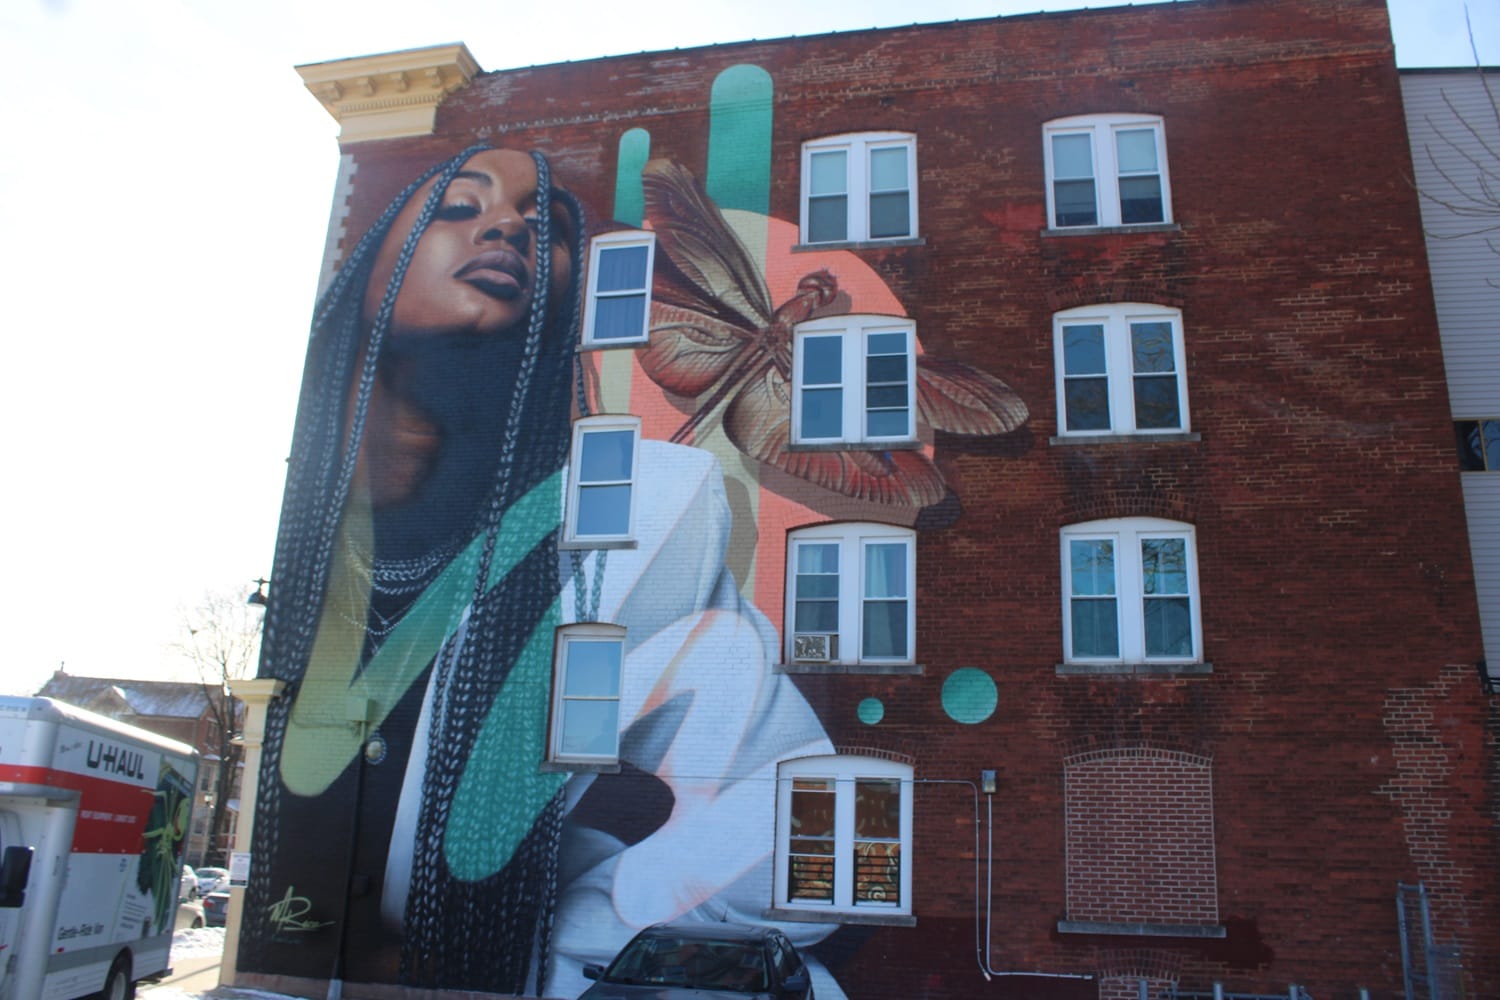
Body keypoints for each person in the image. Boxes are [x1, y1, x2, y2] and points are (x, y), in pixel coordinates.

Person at [244, 144, 843, 999]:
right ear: (365, 266)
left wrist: (567, 938)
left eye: (546, 227)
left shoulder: (647, 524)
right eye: (461, 205)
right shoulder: (315, 551)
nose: (507, 227)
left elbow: (791, 820)